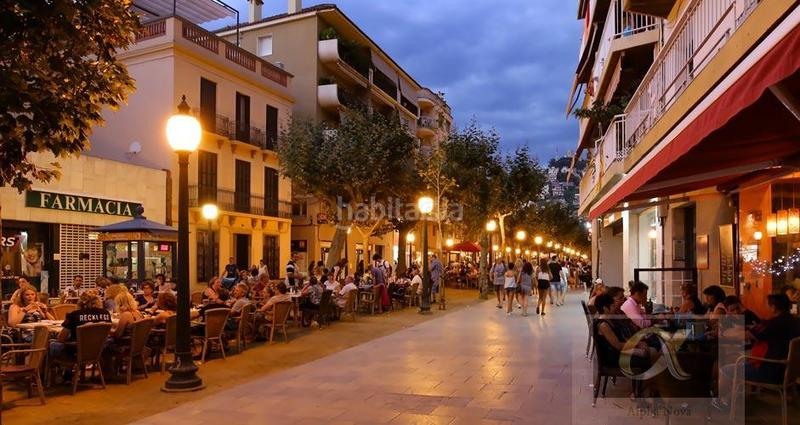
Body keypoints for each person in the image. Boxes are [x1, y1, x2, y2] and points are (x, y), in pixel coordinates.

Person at [718, 294, 800, 408]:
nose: (765, 307)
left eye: (767, 305)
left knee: (725, 370)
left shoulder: (773, 324)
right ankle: (733, 398)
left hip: (770, 372)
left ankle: (722, 403)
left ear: (773, 307)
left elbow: (746, 335)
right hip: (789, 372)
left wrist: (722, 334)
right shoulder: (795, 321)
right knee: (740, 360)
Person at [594, 293, 655, 372]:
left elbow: (621, 339)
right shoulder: (603, 325)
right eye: (612, 306)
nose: (615, 307)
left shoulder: (609, 320)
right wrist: (636, 349)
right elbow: (618, 346)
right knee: (645, 360)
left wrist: (638, 343)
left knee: (646, 354)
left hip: (618, 352)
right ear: (605, 308)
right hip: (613, 358)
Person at [50, 291, 112, 359]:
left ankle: (56, 365)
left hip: (76, 351)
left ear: (80, 302)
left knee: (51, 344)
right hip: (99, 351)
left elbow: (61, 338)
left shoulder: (74, 314)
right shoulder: (106, 313)